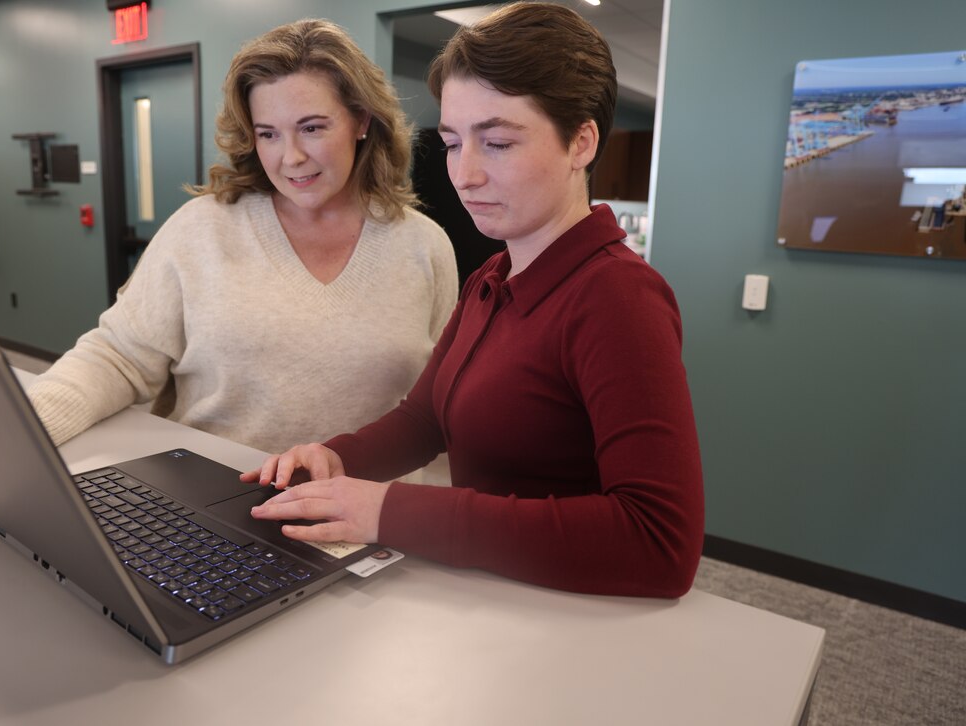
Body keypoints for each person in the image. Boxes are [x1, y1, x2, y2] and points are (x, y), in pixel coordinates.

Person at [244, 2, 704, 598]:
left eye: (498, 144)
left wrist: (391, 511)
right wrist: (336, 460)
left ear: (581, 142)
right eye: (454, 143)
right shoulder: (494, 274)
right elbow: (427, 418)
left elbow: (659, 542)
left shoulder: (618, 296)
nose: (465, 174)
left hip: (569, 619)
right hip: (490, 600)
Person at [27, 20, 457, 454]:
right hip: (210, 497)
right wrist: (28, 425)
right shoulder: (202, 228)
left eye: (312, 128)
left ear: (360, 121)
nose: (291, 157)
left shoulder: (424, 247)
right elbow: (119, 356)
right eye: (268, 134)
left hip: (363, 508)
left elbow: (438, 402)